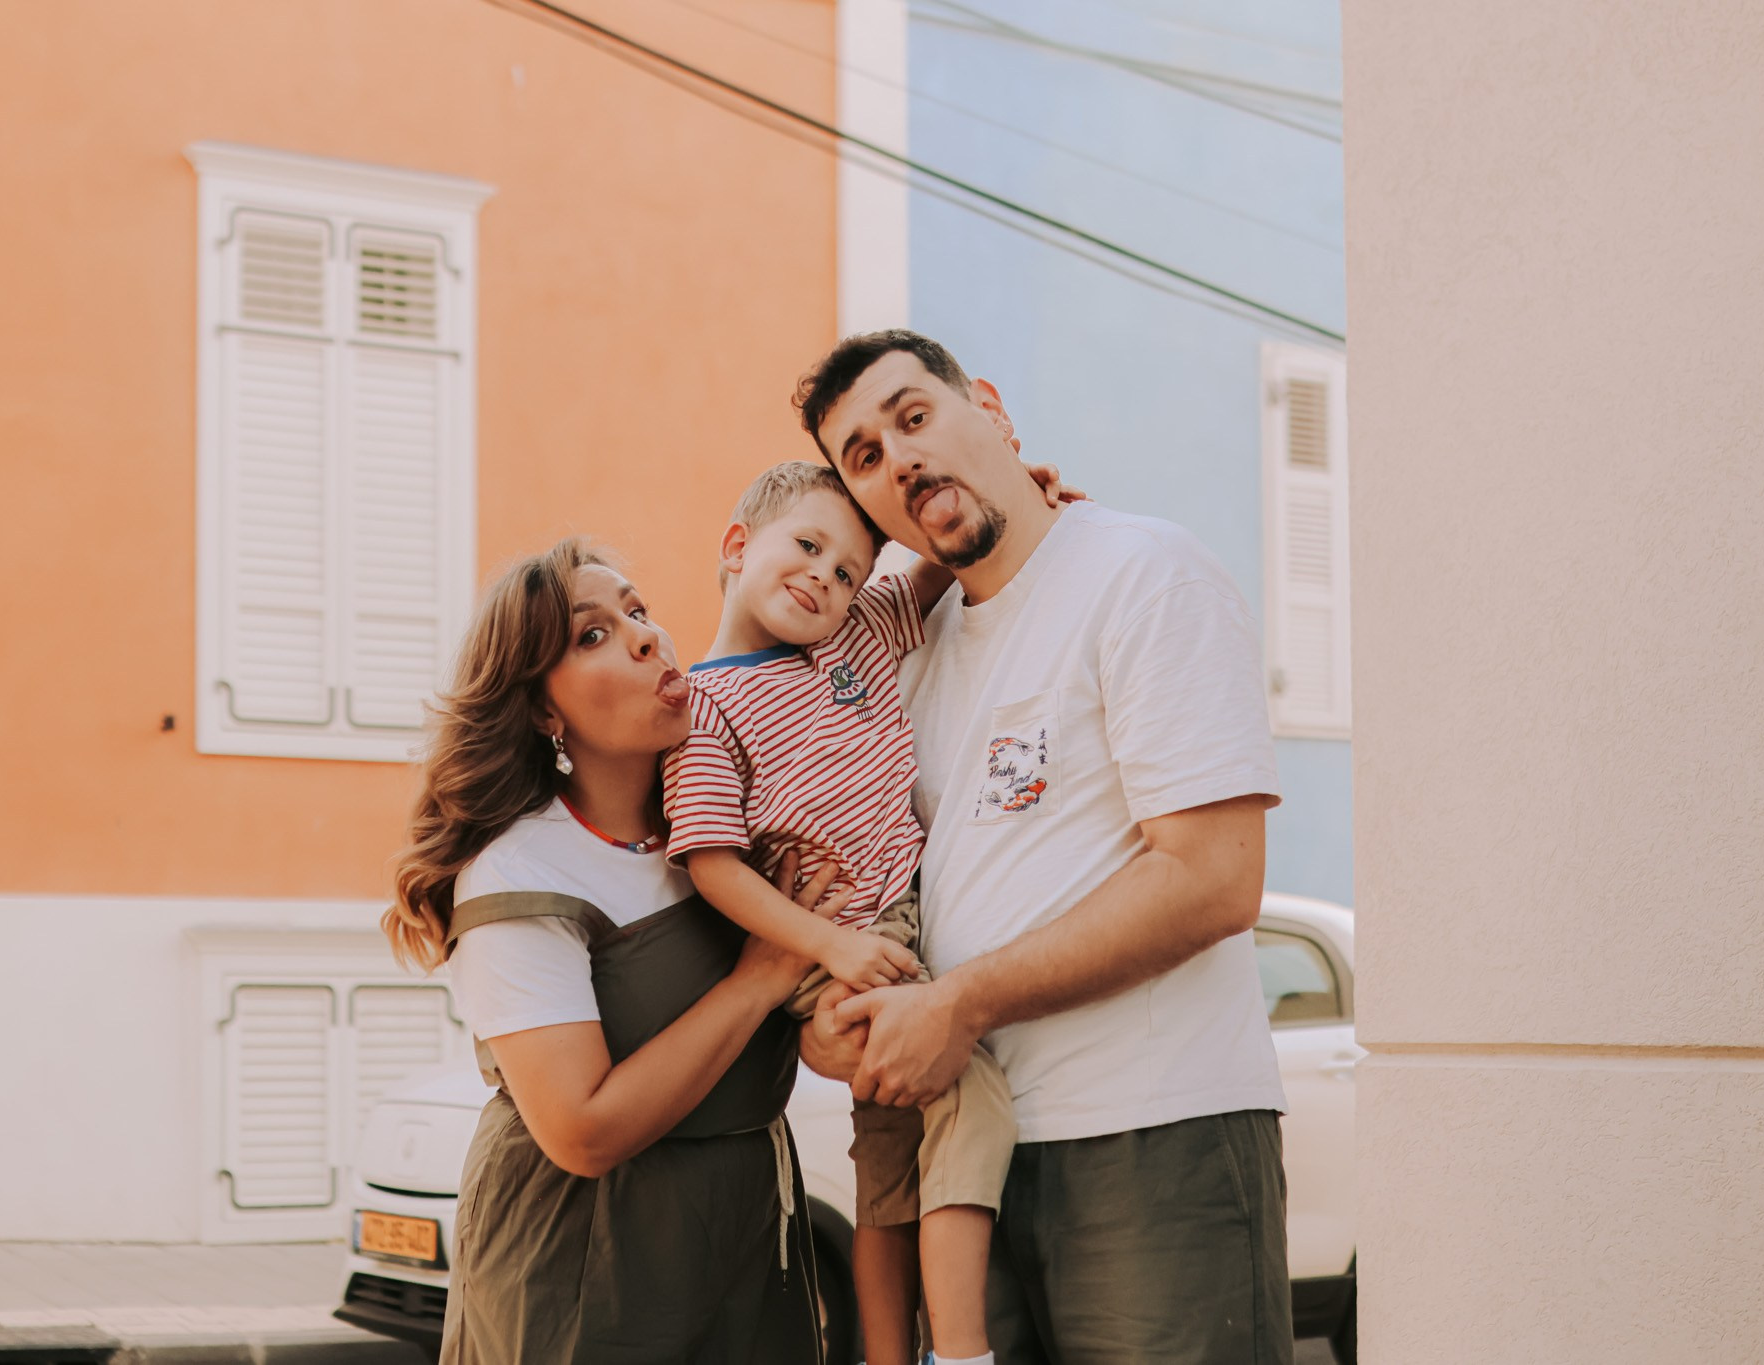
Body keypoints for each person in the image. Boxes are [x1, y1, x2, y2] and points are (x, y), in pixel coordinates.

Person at [794, 330, 1294, 1364]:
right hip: (972, 1163)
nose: (900, 458)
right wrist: (842, 1020)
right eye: (865, 457)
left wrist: (960, 1004)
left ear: (991, 411)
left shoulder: (1141, 573)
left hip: (1155, 1137)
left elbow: (1211, 878)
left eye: (914, 416)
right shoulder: (914, 658)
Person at [663, 460, 1079, 1365]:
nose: (826, 577)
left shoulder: (854, 638)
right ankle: (962, 1352)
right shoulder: (705, 706)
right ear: (738, 547)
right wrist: (830, 946)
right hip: (835, 954)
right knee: (973, 1097)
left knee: (888, 1177)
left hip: (902, 934)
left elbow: (934, 567)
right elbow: (709, 862)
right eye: (807, 547)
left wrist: (1010, 493)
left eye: (850, 569)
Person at [381, 538, 835, 1365]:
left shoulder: (725, 839)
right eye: (592, 635)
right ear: (544, 712)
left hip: (745, 1247)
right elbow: (580, 1130)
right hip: (579, 1272)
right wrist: (758, 979)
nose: (646, 636)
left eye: (638, 609)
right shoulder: (520, 870)